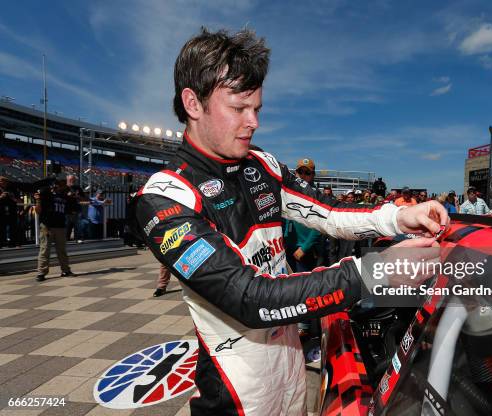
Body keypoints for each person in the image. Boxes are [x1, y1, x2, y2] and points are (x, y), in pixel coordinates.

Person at [133, 28, 447, 416]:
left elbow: (329, 213)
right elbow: (249, 298)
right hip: (236, 391)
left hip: (291, 367)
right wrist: (375, 274)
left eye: (257, 109)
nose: (253, 122)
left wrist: (399, 215)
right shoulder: (164, 196)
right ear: (192, 103)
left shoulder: (261, 164)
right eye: (238, 108)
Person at [35, 179, 74, 281]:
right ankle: (41, 273)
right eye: (60, 185)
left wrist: (72, 198)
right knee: (44, 250)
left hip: (60, 226)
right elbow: (38, 211)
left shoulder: (65, 197)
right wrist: (38, 200)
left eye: (63, 185)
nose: (62, 187)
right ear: (55, 185)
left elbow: (72, 209)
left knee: (62, 250)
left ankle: (65, 270)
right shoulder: (46, 194)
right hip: (47, 225)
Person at [65, 174, 86, 242]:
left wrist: (77, 196)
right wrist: (67, 195)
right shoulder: (64, 188)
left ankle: (78, 239)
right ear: (67, 180)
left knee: (78, 227)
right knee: (67, 228)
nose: (72, 181)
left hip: (76, 210)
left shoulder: (77, 188)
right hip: (66, 211)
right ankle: (66, 240)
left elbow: (83, 198)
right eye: (71, 180)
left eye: (73, 180)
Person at [0, 176, 19, 248]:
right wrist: (1, 197)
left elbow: (18, 200)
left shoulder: (12, 189)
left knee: (13, 227)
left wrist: (12, 197)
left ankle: (12, 243)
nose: (2, 183)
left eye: (4, 181)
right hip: (1, 211)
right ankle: (1, 243)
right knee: (1, 227)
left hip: (11, 211)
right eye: (1, 181)